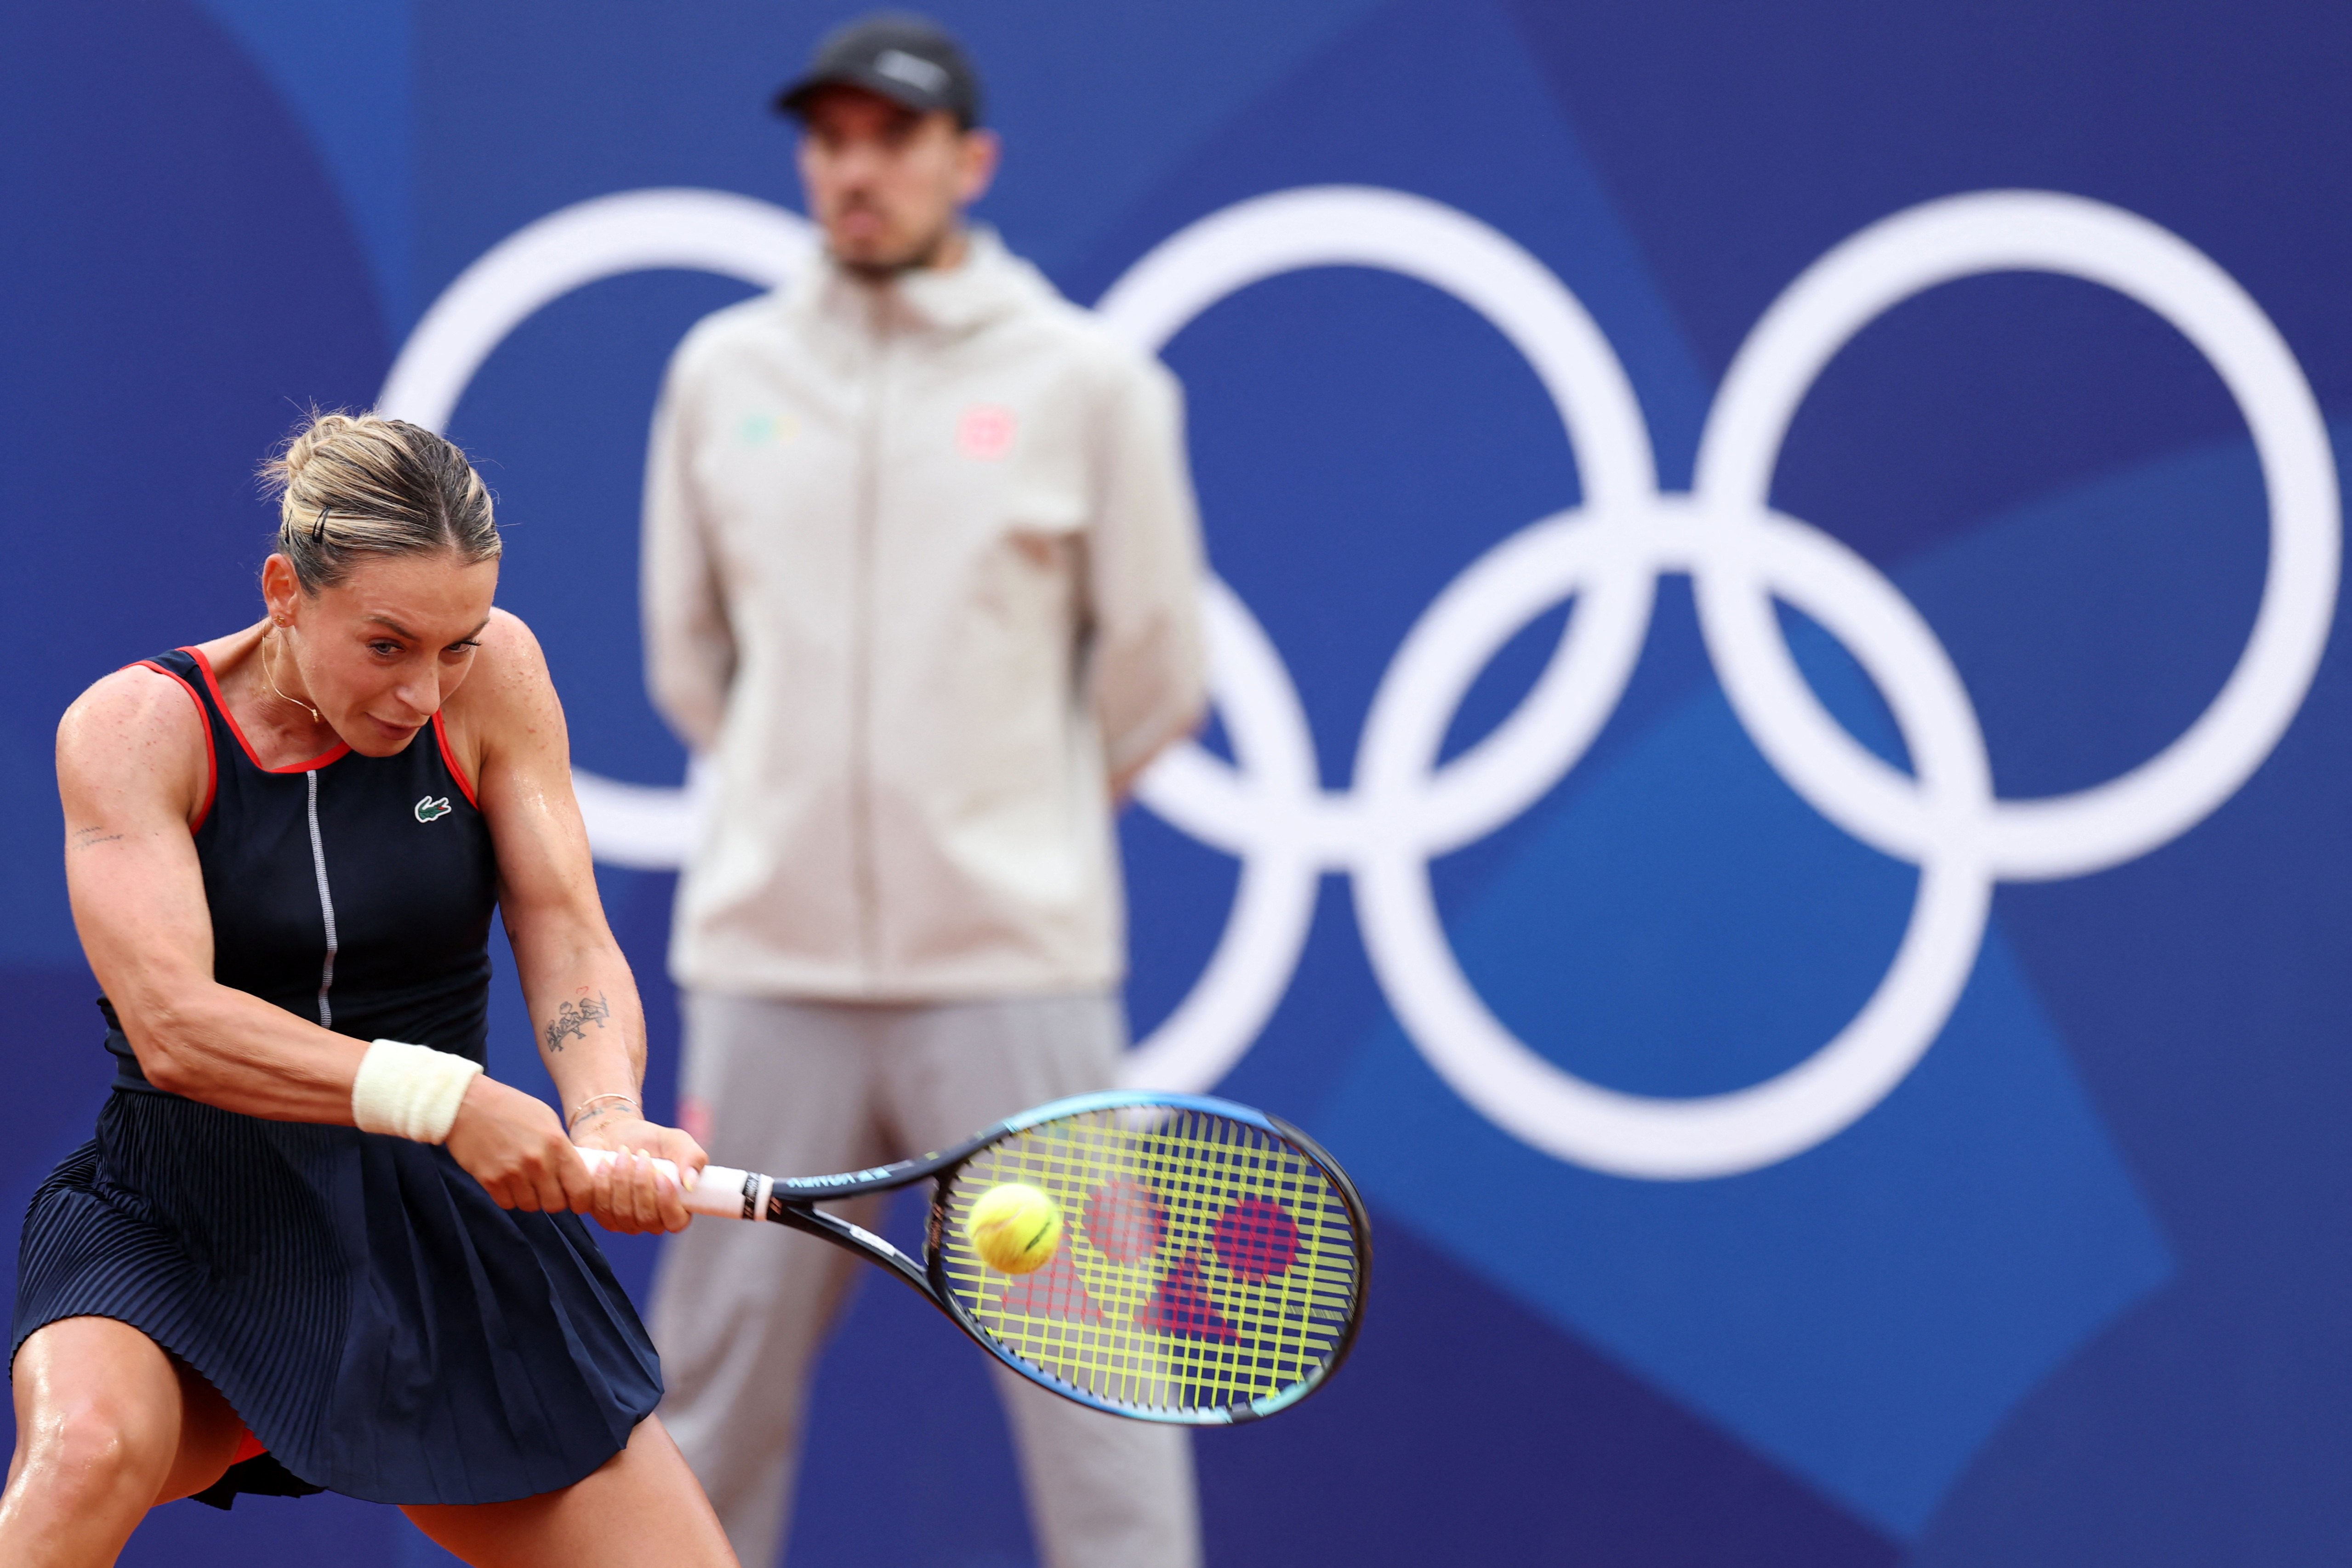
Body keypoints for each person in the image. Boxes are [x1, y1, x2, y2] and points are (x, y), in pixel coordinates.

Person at [640, 12, 1208, 1568]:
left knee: (1099, 1394)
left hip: (1009, 979)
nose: (855, 170)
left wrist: (1007, 825)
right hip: (767, 971)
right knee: (708, 1398)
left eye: (892, 140)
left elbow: (1157, 665)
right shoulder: (722, 373)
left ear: (971, 162)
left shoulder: (1086, 381)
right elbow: (689, 662)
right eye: (830, 141)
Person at [0, 412, 739, 1568]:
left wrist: (607, 1113)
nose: (425, 692)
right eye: (387, 645)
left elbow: (567, 926)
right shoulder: (137, 729)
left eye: (458, 644)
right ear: (286, 589)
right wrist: (450, 1096)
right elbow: (177, 1027)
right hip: (187, 1213)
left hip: (433, 1226)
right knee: (86, 1453)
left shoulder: (498, 679)